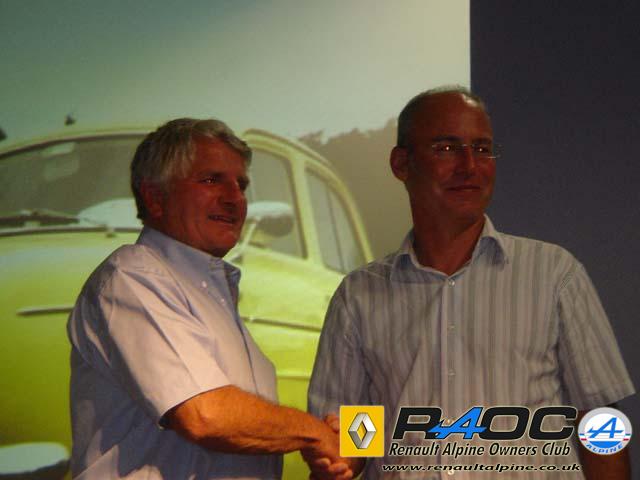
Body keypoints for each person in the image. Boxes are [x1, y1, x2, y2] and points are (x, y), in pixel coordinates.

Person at [308, 87, 635, 479]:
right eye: (447, 148)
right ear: (401, 163)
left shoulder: (554, 275)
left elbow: (598, 423)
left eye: (482, 149)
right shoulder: (359, 295)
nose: (469, 165)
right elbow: (356, 439)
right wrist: (340, 460)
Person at [67, 118, 352, 479]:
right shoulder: (132, 275)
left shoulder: (212, 292)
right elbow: (207, 415)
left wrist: (342, 462)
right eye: (211, 180)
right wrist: (321, 437)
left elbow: (355, 421)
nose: (235, 198)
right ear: (155, 197)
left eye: (241, 185)